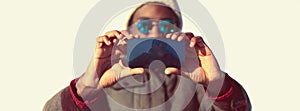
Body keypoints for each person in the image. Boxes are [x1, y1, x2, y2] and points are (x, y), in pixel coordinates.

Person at [43, 1, 251, 111]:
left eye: (166, 24)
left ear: (178, 30)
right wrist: (85, 89)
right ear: (129, 30)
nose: (154, 32)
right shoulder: (106, 84)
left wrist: (217, 84)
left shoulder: (195, 85)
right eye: (144, 24)